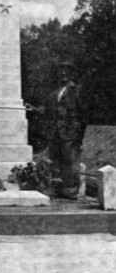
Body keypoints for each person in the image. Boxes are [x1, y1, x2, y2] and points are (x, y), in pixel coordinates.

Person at [44, 61, 87, 199]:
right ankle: (59, 188)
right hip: (55, 132)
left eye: (66, 71)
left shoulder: (77, 90)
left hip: (70, 133)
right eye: (60, 71)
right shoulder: (55, 92)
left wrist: (78, 134)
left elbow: (82, 113)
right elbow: (51, 112)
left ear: (71, 74)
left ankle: (71, 190)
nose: (63, 74)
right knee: (56, 161)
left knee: (70, 161)